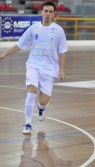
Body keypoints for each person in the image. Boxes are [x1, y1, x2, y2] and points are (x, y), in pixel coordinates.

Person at [0, 1, 68, 134]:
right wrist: (4, 54)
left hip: (50, 69)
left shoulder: (59, 30)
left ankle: (41, 108)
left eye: (50, 12)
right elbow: (20, 45)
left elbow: (62, 51)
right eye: (45, 11)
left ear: (54, 14)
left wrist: (62, 69)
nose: (47, 14)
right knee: (32, 90)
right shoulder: (33, 29)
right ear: (41, 12)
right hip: (34, 65)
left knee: (43, 101)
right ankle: (28, 123)